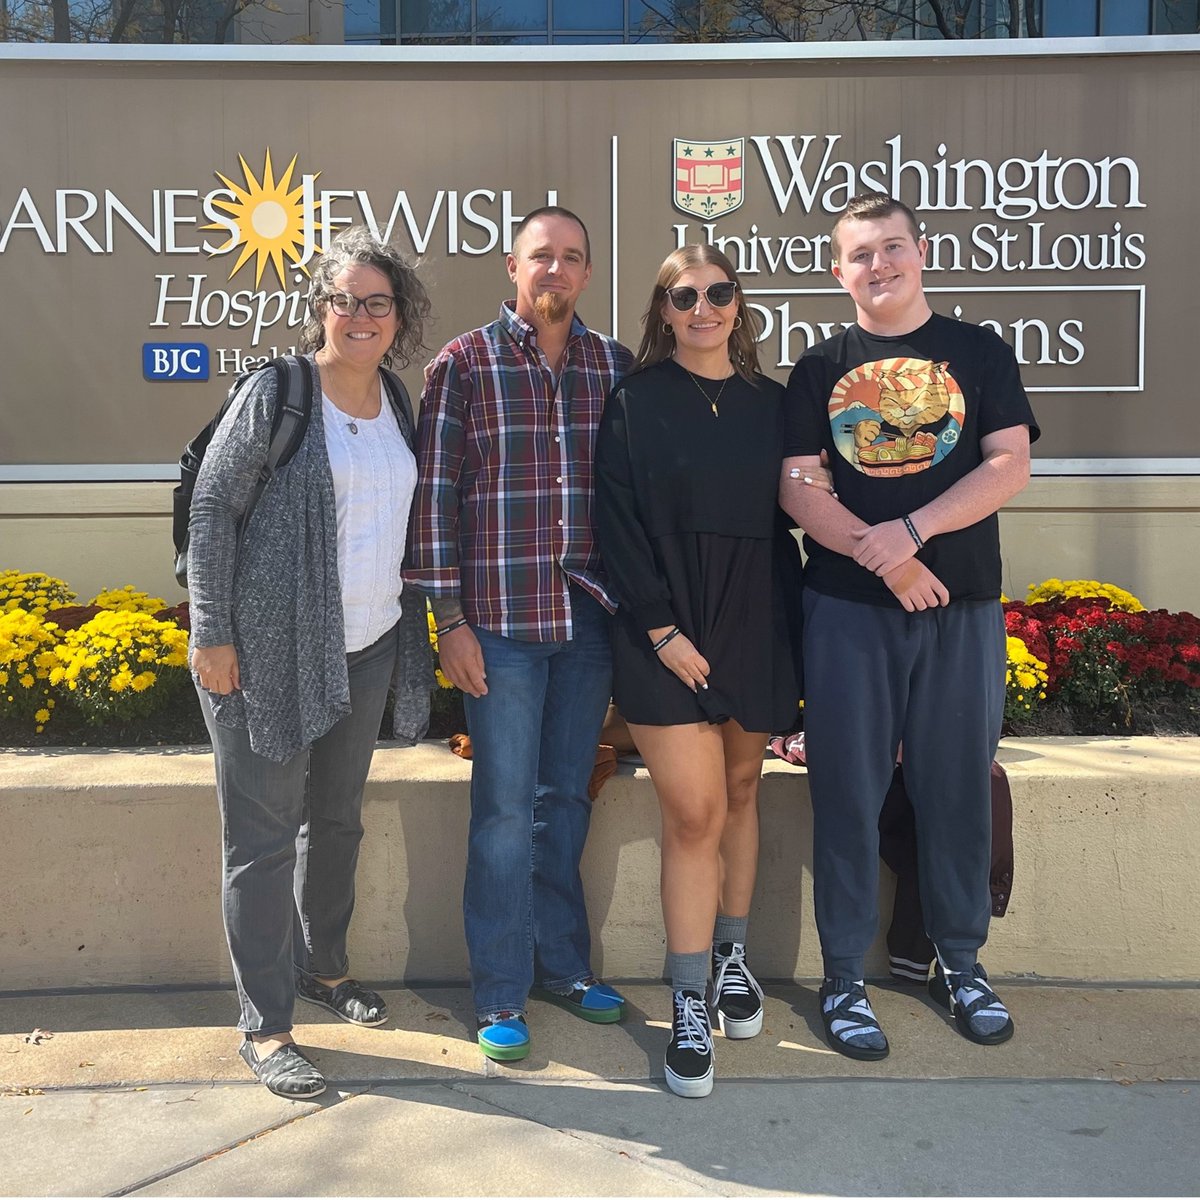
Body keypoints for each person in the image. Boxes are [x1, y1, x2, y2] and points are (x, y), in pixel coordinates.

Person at [780, 193, 1039, 1059]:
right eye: (860, 254)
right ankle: (845, 976)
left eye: (892, 248)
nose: (878, 265)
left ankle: (961, 964)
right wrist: (882, 554)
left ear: (921, 253)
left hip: (960, 611)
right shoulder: (820, 369)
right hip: (849, 616)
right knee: (847, 797)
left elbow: (1010, 463)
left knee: (956, 791)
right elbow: (797, 487)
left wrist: (916, 532)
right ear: (838, 271)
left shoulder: (978, 353)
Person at [188, 226, 434, 1098]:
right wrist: (212, 635)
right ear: (318, 309)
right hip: (265, 652)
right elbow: (214, 510)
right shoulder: (281, 393)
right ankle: (267, 1025)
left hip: (367, 648)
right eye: (344, 300)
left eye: (377, 302)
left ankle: (322, 969)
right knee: (259, 841)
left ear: (397, 315)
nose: (360, 316)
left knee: (334, 824)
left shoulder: (399, 401)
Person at [405, 206, 634, 1063]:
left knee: (566, 798)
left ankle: (562, 968)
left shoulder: (613, 365)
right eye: (544, 256)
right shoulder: (463, 365)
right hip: (497, 624)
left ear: (586, 273)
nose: (557, 271)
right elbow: (435, 501)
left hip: (586, 623)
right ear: (513, 266)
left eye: (574, 258)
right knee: (502, 811)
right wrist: (449, 622)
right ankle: (500, 990)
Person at [595, 246, 803, 1098]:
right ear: (665, 309)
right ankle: (686, 1001)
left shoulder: (778, 405)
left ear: (739, 303)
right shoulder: (635, 402)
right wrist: (661, 629)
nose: (704, 308)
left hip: (757, 623)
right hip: (663, 632)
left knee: (745, 790)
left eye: (719, 292)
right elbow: (614, 526)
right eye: (686, 296)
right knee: (695, 811)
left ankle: (731, 959)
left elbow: (809, 508)